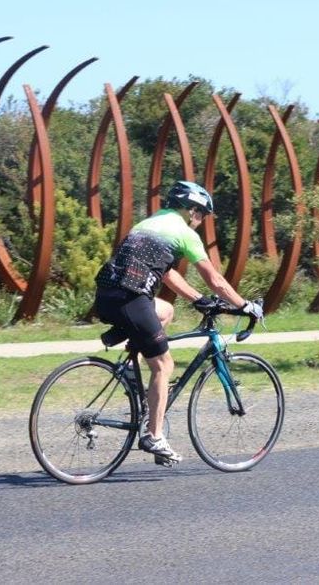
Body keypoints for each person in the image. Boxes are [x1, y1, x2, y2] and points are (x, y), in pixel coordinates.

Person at [92, 180, 263, 466]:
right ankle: (154, 436)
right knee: (164, 365)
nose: (201, 221)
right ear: (193, 211)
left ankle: (136, 376)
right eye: (202, 215)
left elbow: (167, 274)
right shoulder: (184, 233)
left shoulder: (149, 223)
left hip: (107, 296)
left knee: (166, 311)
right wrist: (245, 306)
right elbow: (216, 280)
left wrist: (196, 298)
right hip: (132, 299)